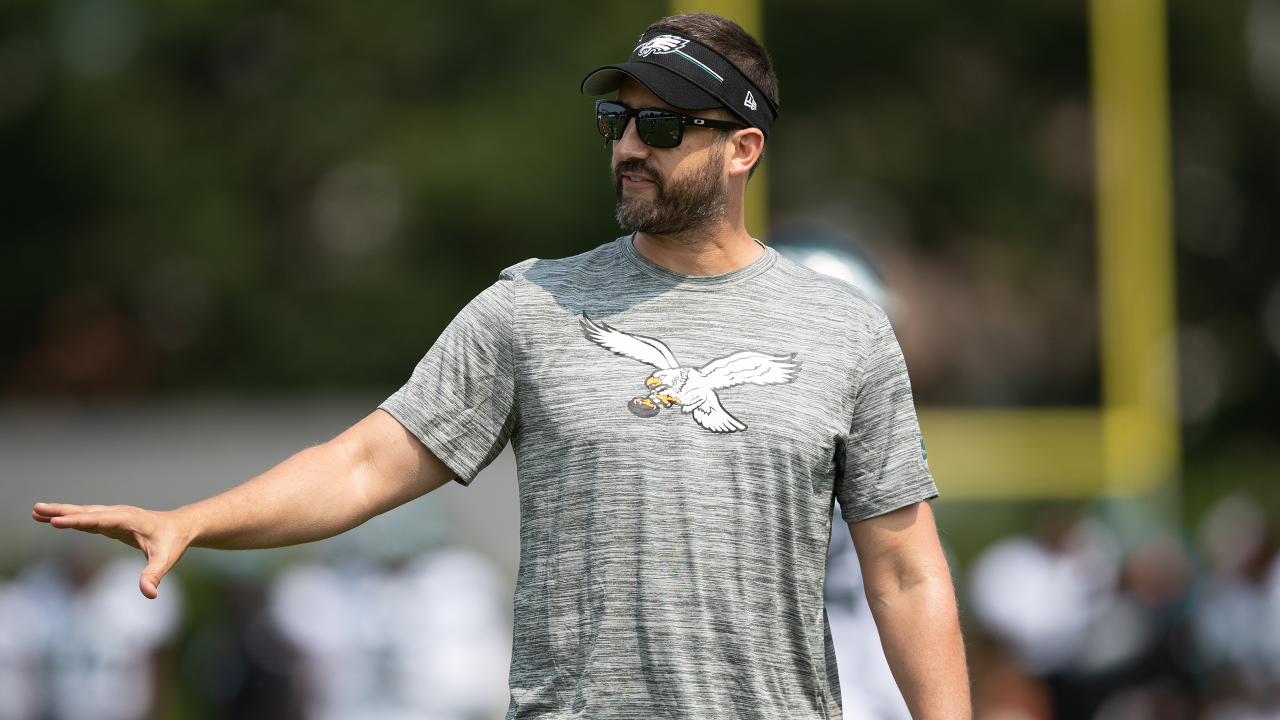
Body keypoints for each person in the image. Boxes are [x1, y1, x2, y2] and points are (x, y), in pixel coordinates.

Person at [32, 13, 969, 720]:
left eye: (665, 128)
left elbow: (906, 573)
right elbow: (363, 465)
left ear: (742, 149)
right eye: (619, 121)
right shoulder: (531, 306)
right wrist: (194, 521)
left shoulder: (843, 329)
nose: (631, 147)